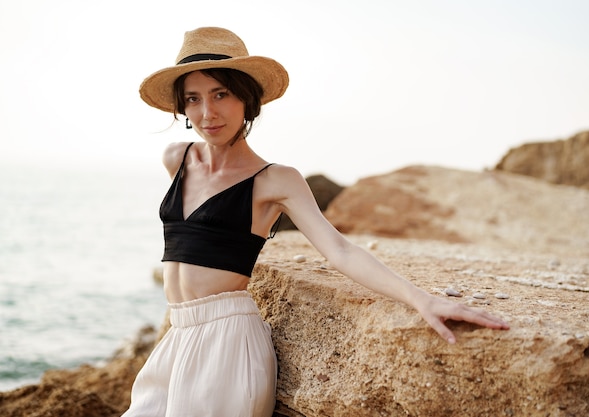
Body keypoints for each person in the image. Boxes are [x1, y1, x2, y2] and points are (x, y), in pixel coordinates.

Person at [122, 27, 509, 417]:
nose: (207, 113)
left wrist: (421, 299)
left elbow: (340, 249)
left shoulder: (275, 180)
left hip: (226, 342)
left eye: (220, 93)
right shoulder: (177, 158)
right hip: (178, 336)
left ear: (247, 99)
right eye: (193, 99)